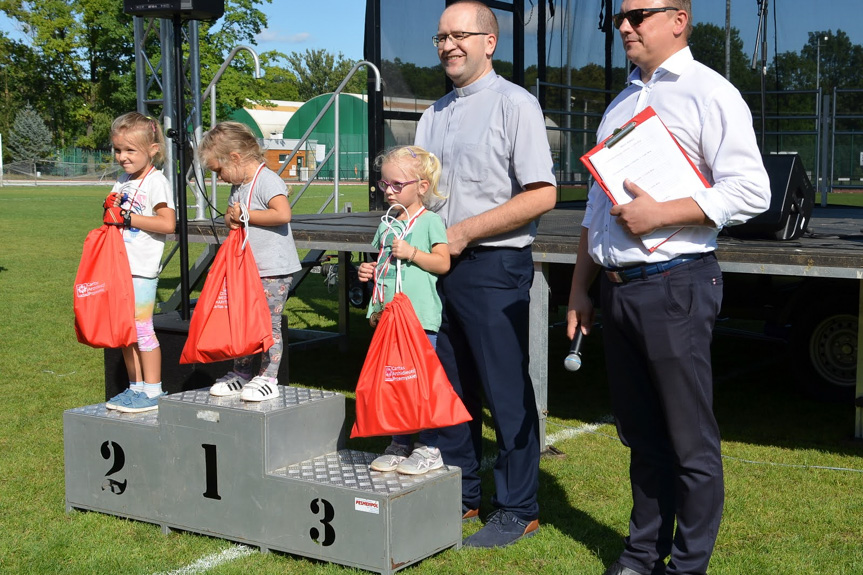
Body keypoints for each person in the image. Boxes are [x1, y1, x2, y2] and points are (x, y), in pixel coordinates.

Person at [566, 2, 770, 574]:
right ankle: (639, 555)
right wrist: (581, 289)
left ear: (678, 19)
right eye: (620, 18)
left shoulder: (710, 92)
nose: (625, 26)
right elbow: (597, 206)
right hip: (618, 289)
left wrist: (662, 215)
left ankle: (686, 566)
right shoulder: (621, 102)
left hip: (675, 283)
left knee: (688, 442)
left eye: (638, 14)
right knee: (642, 437)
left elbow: (752, 192)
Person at [414, 0, 557, 548]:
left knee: (505, 392)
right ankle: (463, 495)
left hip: (493, 265)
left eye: (460, 35)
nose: (449, 45)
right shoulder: (433, 114)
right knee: (449, 389)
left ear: (489, 42)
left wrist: (467, 230)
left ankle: (518, 507)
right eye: (441, 37)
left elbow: (541, 194)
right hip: (437, 268)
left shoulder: (515, 105)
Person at [357, 145, 451, 476]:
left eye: (397, 185)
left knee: (420, 385)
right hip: (389, 319)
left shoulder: (430, 222)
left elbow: (443, 262)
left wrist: (412, 253)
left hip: (419, 320)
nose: (389, 191)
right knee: (394, 383)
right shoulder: (388, 224)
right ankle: (399, 443)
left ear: (422, 187)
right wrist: (369, 273)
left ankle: (429, 447)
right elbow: (383, 265)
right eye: (385, 184)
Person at [198, 122, 302, 402]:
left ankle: (269, 376)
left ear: (235, 157)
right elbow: (233, 218)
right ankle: (241, 373)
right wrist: (232, 217)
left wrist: (245, 215)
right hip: (247, 270)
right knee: (241, 322)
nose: (218, 178)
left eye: (218, 170)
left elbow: (282, 214)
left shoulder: (267, 180)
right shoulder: (239, 184)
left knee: (269, 324)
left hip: (273, 269)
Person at [103, 112, 176, 414]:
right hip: (119, 267)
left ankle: (153, 390)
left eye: (130, 150)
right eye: (118, 150)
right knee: (125, 330)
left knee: (143, 329)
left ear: (154, 150)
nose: (122, 157)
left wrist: (129, 217)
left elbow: (168, 223)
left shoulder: (156, 182)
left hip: (142, 270)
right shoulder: (122, 181)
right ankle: (135, 388)